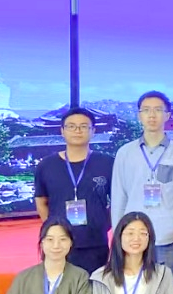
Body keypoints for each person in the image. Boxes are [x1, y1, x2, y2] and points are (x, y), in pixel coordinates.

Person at [110, 91, 173, 283]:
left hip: (170, 236)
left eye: (158, 110)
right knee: (134, 289)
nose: (152, 115)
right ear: (139, 115)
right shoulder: (125, 153)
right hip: (134, 237)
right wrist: (118, 234)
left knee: (169, 290)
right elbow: (119, 198)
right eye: (146, 110)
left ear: (168, 115)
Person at [33, 107, 115, 274]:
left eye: (84, 126)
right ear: (62, 131)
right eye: (71, 126)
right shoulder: (46, 165)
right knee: (60, 287)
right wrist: (54, 229)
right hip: (59, 244)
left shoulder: (107, 163)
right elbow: (41, 201)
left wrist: (103, 224)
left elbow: (118, 200)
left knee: (94, 286)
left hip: (95, 242)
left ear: (93, 131)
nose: (78, 130)